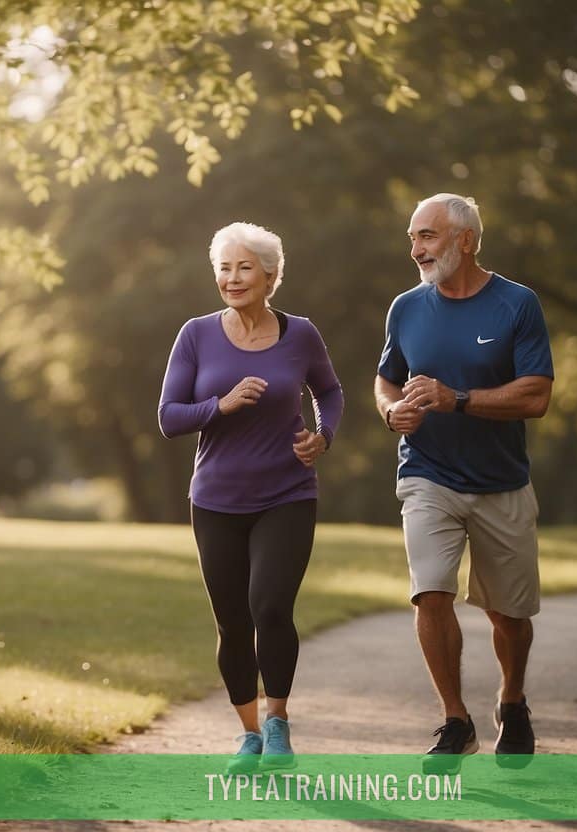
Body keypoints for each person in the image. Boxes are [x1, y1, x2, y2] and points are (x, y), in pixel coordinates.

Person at [373, 194, 553, 772]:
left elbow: (537, 395)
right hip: (428, 473)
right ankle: (456, 719)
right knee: (430, 590)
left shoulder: (517, 304)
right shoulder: (405, 308)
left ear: (466, 241)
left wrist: (458, 400)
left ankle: (512, 700)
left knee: (510, 616)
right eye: (413, 238)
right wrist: (391, 411)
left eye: (427, 236)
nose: (416, 249)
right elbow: (386, 380)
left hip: (501, 481)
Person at [158, 221, 343, 772]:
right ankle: (248, 734)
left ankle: (278, 721)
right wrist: (223, 404)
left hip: (287, 492)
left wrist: (322, 434)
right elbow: (168, 418)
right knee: (232, 621)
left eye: (243, 268)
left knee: (269, 606)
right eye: (223, 268)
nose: (232, 278)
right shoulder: (196, 334)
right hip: (215, 500)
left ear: (269, 276)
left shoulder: (301, 334)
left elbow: (329, 391)